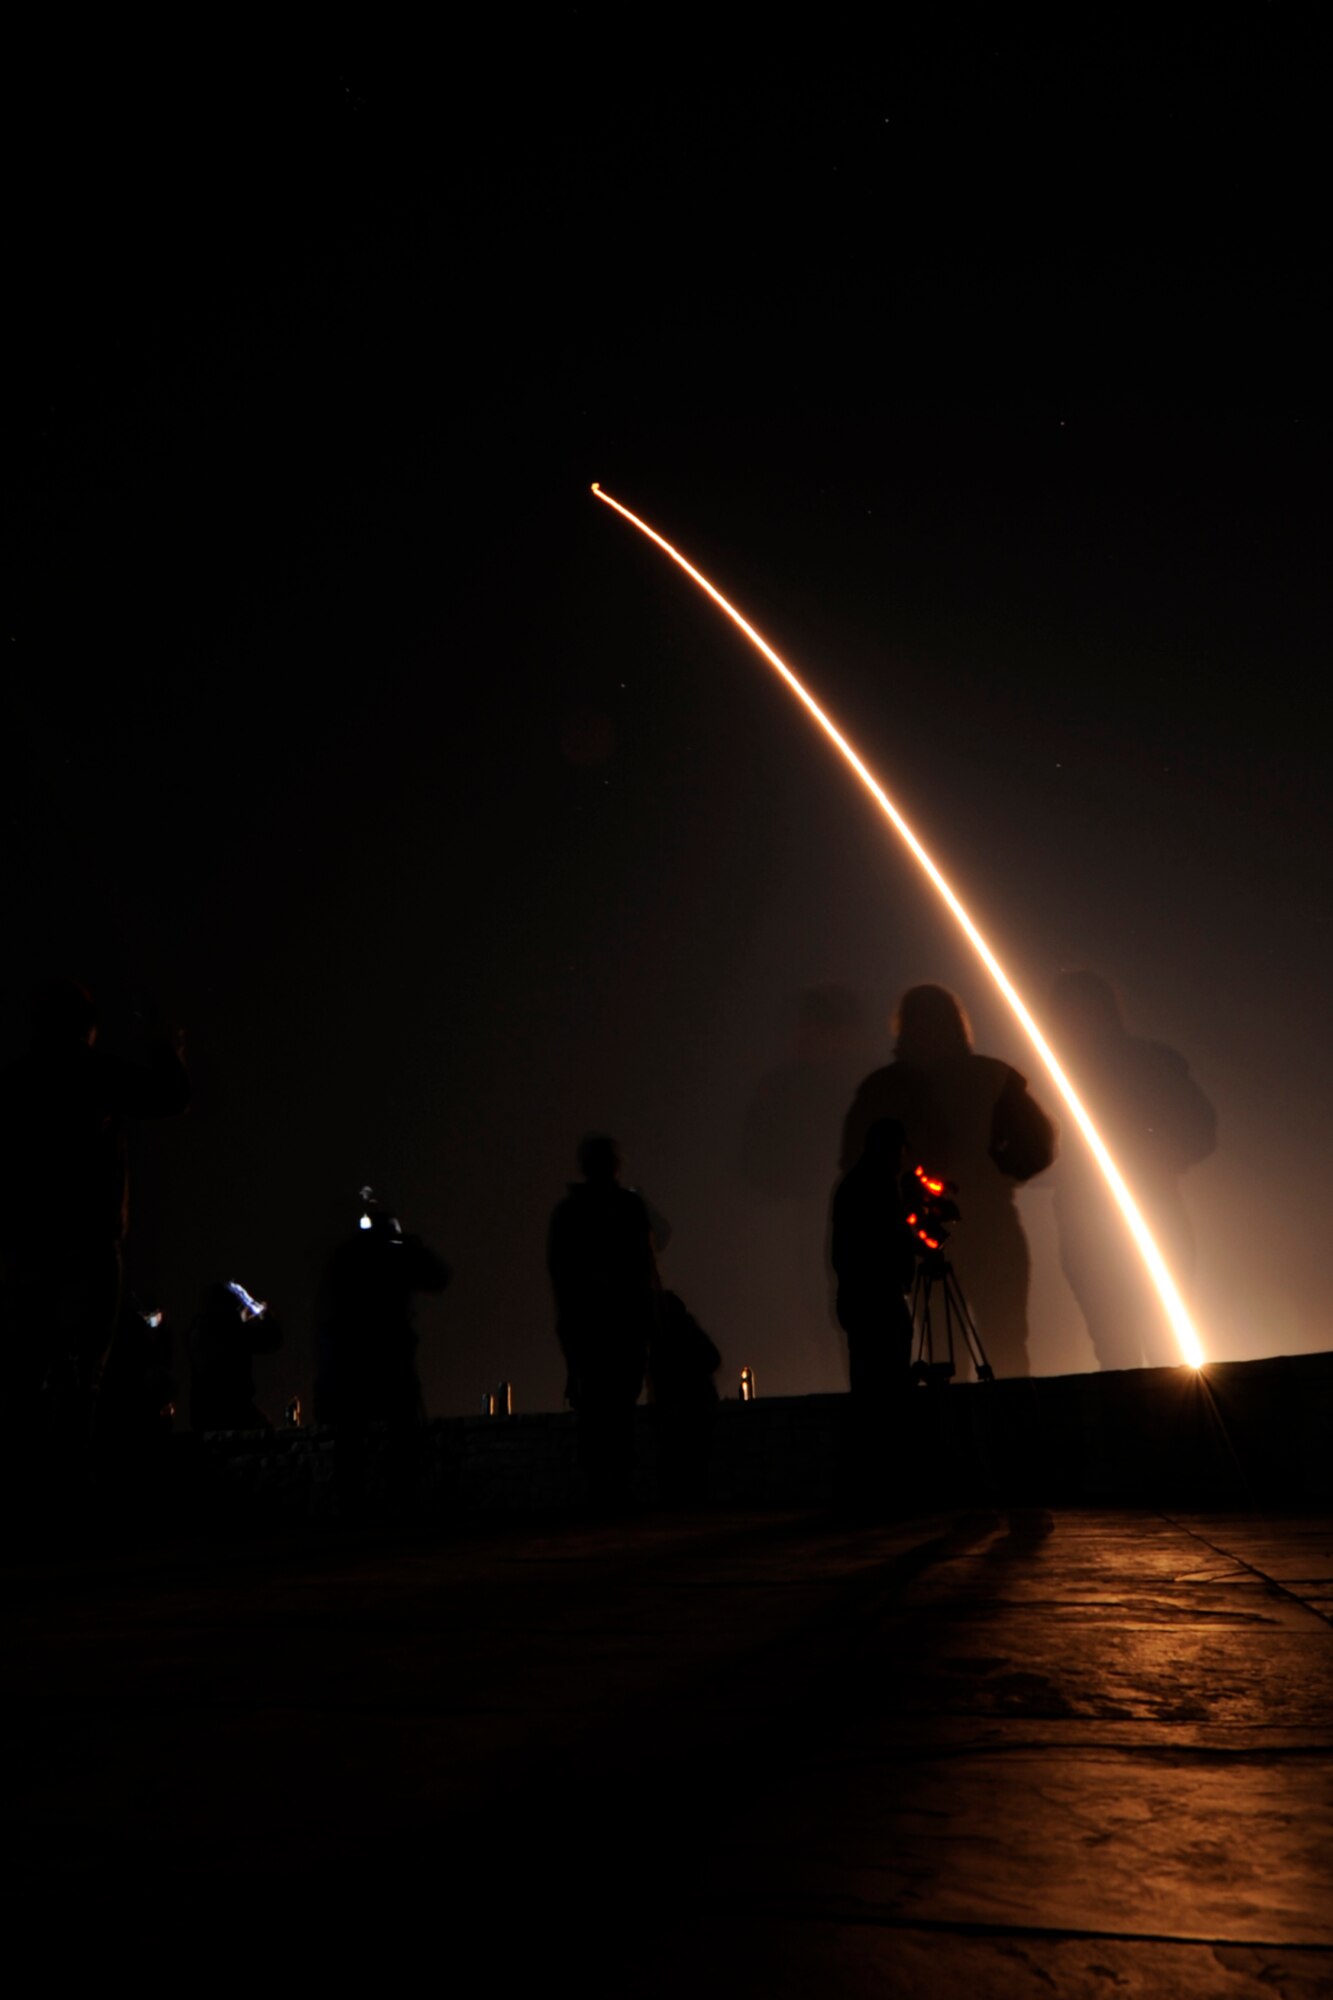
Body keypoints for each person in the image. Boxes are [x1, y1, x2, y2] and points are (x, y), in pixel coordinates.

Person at [0, 979, 189, 1442]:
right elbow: (168, 1096)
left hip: (32, 1247)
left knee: (30, 1370)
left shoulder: (17, 1082)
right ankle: (72, 1479)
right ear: (87, 1029)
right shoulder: (93, 1073)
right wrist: (168, 1047)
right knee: (83, 1375)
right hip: (88, 1245)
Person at [841, 985, 1055, 1377]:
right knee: (1005, 1344)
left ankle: (948, 1434)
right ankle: (1016, 1432)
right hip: (991, 1225)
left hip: (916, 1233)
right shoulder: (993, 1076)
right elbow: (1039, 1147)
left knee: (939, 1352)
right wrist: (993, 1171)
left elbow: (854, 1163)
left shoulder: (881, 1088)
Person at [1046, 970, 1216, 1369]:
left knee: (1137, 1336)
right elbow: (1202, 1130)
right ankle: (1166, 1423)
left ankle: (1155, 1423)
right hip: (1108, 1212)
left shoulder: (1056, 1071)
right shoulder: (1055, 1072)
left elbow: (1201, 1130)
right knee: (1126, 1337)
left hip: (1133, 1208)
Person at [314, 1191, 451, 1514]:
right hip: (389, 1359)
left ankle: (353, 1506)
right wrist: (412, 1247)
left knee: (352, 1439)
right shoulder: (394, 1255)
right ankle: (402, 1500)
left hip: (349, 1363)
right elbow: (439, 1277)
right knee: (402, 1433)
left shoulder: (344, 1258)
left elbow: (327, 1316)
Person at [547, 1135, 662, 1507]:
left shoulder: (572, 1213)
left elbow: (561, 1278)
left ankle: (604, 1488)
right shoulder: (627, 1206)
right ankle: (613, 1487)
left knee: (600, 1409)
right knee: (615, 1409)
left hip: (595, 1327)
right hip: (617, 1325)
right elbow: (648, 1264)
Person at [830, 1118, 917, 1399]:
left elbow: (842, 1253)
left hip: (861, 1303)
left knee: (868, 1385)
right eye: (901, 1152)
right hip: (878, 1303)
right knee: (887, 1384)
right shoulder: (878, 1187)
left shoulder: (854, 1185)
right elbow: (888, 1241)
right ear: (890, 1150)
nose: (903, 1159)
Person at [188, 1279, 281, 1432]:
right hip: (234, 1412)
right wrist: (266, 1316)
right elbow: (273, 1340)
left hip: (203, 1413)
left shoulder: (198, 1331)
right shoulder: (233, 1332)